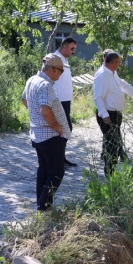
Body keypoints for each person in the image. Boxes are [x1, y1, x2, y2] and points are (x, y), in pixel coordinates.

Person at [21, 53, 72, 211]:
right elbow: (45, 110)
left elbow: (24, 99)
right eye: (61, 71)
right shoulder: (45, 85)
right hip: (50, 136)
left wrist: (34, 114)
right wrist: (57, 126)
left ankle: (41, 203)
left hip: (38, 134)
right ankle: (44, 205)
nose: (61, 74)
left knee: (44, 169)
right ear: (54, 70)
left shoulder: (32, 80)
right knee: (56, 172)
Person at [93, 49, 133, 176]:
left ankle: (111, 171)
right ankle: (109, 173)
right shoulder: (102, 75)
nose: (119, 64)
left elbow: (123, 84)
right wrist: (104, 114)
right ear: (112, 62)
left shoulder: (112, 72)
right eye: (118, 62)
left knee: (114, 143)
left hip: (115, 114)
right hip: (108, 115)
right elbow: (98, 97)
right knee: (112, 145)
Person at [53, 37, 78, 167]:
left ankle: (61, 157)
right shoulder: (54, 58)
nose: (74, 52)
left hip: (65, 101)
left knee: (66, 129)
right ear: (65, 47)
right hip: (57, 101)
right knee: (62, 130)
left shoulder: (65, 60)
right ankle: (57, 159)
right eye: (72, 49)